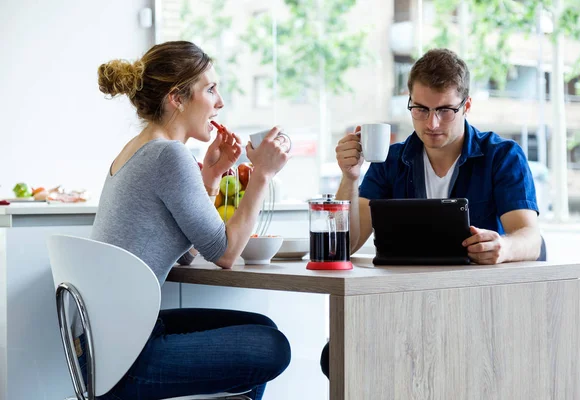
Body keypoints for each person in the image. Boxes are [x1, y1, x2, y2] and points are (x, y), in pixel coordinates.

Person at [320, 48, 545, 378]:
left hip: (480, 308)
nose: (431, 123)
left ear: (466, 106)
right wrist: (350, 178)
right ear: (409, 102)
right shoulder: (391, 161)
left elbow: (530, 238)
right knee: (337, 354)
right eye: (421, 109)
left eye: (445, 111)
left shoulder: (502, 156)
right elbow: (347, 244)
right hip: (406, 306)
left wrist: (503, 248)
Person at [87, 41, 291, 400]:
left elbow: (185, 251)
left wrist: (210, 178)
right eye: (210, 89)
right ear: (176, 98)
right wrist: (261, 174)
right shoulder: (169, 154)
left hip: (108, 348)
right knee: (272, 346)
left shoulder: (137, 149)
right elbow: (225, 254)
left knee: (260, 327)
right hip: (128, 360)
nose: (220, 101)